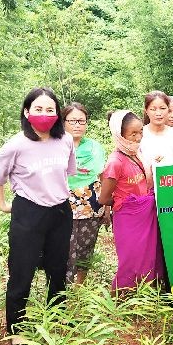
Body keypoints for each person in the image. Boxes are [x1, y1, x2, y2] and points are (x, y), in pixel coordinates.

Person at [0, 87, 76, 342]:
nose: (44, 114)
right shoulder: (16, 145)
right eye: (38, 109)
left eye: (50, 109)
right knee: (22, 270)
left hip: (60, 211)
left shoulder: (65, 140)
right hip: (29, 212)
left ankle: (58, 314)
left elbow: (66, 172)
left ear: (58, 114)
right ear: (27, 112)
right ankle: (16, 328)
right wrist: (2, 203)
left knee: (58, 267)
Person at [98, 110, 164, 290]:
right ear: (120, 135)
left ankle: (147, 294)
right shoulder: (115, 162)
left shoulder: (138, 154)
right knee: (131, 259)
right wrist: (126, 201)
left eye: (140, 132)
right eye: (132, 134)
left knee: (150, 255)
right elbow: (104, 197)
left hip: (146, 215)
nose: (138, 137)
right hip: (128, 218)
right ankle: (120, 299)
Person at [63, 103, 107, 285]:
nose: (77, 125)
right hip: (63, 200)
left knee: (86, 245)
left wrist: (107, 205)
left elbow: (100, 172)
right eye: (73, 121)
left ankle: (80, 286)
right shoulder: (56, 146)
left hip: (92, 200)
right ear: (63, 122)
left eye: (81, 121)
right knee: (67, 245)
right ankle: (61, 287)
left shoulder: (94, 147)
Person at [140, 91, 173, 165]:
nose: (158, 113)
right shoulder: (139, 135)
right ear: (146, 111)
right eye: (153, 109)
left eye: (162, 108)